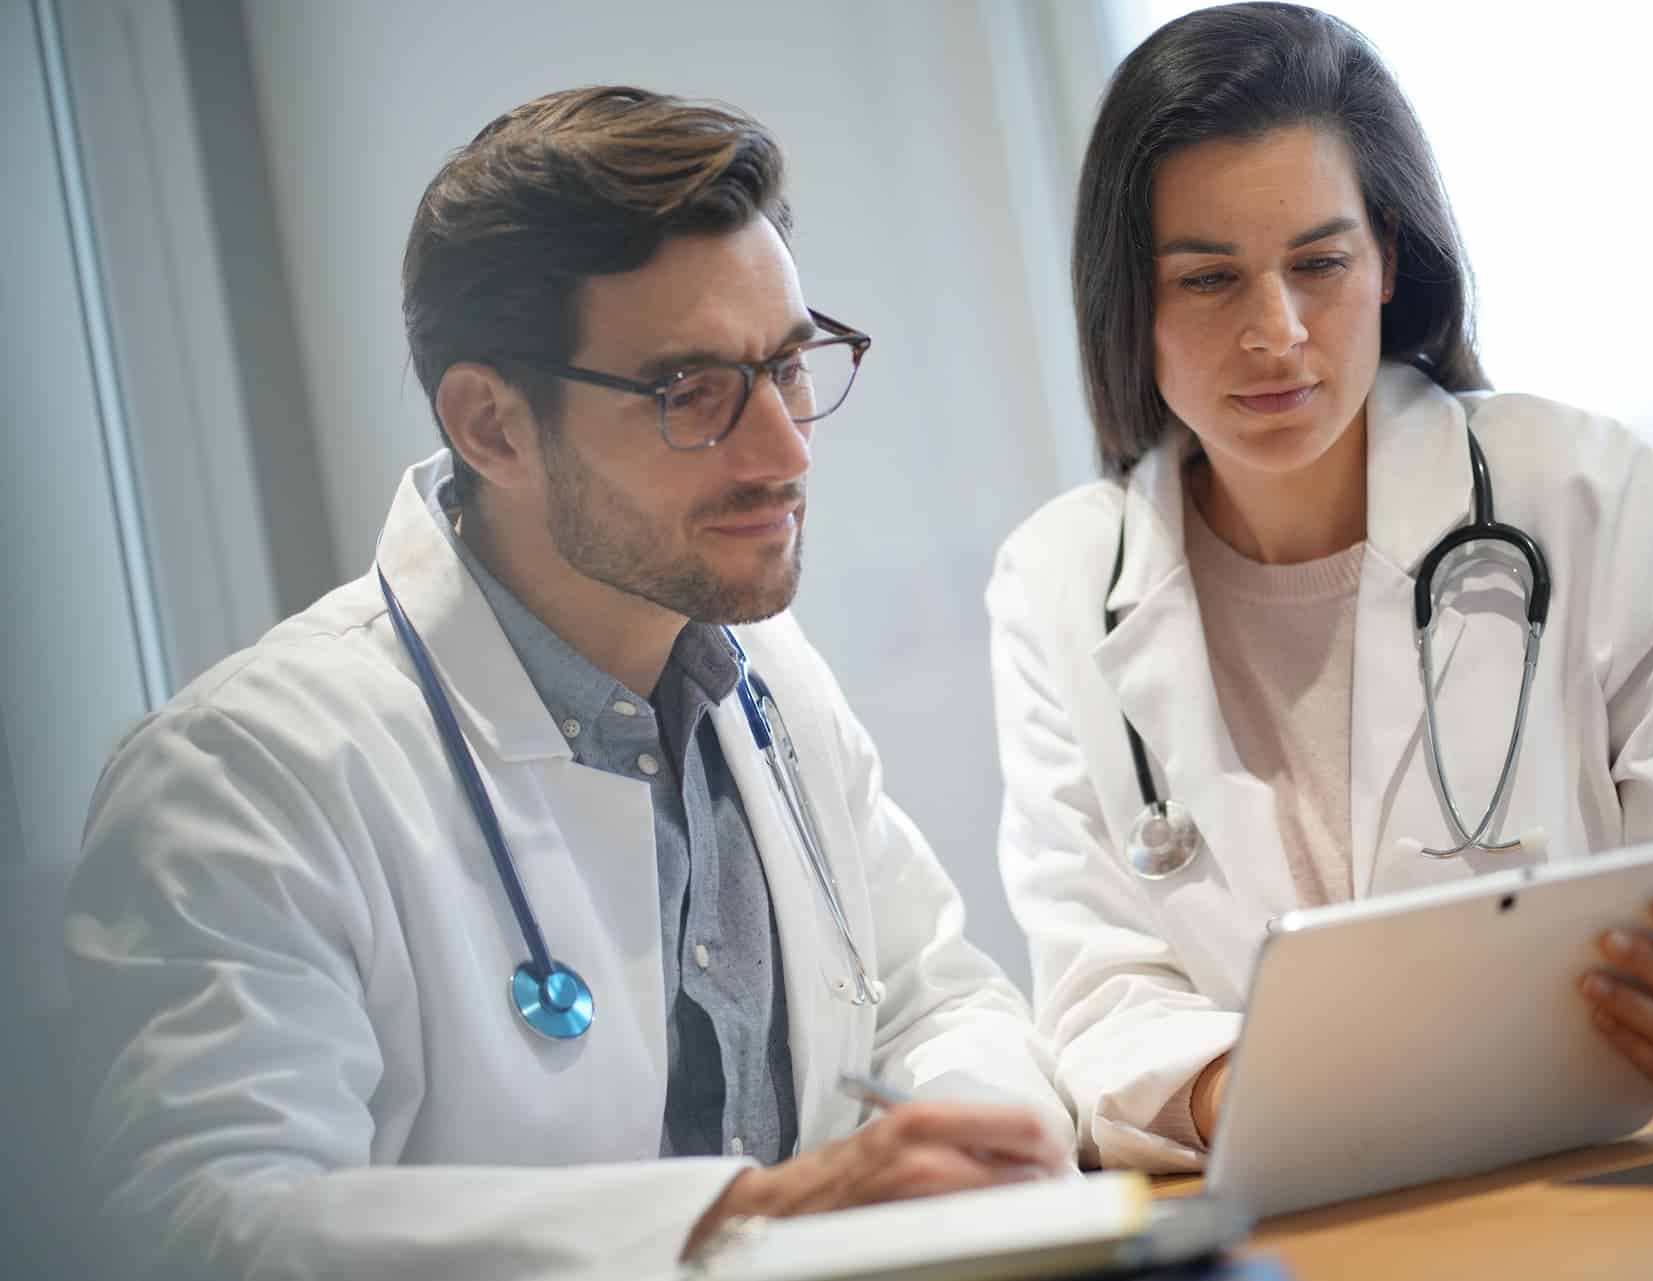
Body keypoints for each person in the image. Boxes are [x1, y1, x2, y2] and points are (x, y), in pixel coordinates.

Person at [66, 86, 1071, 1281]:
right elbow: (202, 1227)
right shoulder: (247, 777)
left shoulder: (766, 682)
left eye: (790, 366)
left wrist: (967, 1143)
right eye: (691, 393)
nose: (787, 450)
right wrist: (739, 1221)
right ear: (491, 425)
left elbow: (937, 997)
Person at [986, 2, 1653, 1172]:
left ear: (1388, 257)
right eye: (1210, 278)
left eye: (1319, 263)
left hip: (1628, 1210)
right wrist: (1282, 1098)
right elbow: (1100, 992)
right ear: (1130, 301)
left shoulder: (1606, 498)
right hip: (1294, 1226)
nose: (1276, 333)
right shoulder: (1058, 582)